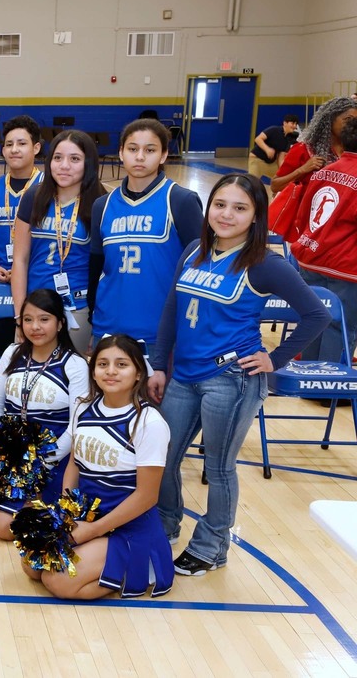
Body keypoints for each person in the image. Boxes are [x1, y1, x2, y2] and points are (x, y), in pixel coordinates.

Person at [149, 173, 330, 575]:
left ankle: (213, 546)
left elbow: (318, 314)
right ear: (208, 207)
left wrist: (274, 359)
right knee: (161, 456)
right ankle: (165, 524)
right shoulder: (194, 249)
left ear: (255, 216)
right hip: (183, 376)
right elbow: (171, 311)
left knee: (218, 468)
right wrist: (160, 364)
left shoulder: (266, 262)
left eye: (240, 208)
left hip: (231, 380)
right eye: (220, 204)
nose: (226, 214)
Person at [29, 335, 173, 599]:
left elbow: (147, 496)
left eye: (121, 365)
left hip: (128, 526)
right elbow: (74, 462)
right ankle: (97, 557)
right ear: (93, 371)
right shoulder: (84, 408)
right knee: (31, 565)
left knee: (59, 581)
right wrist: (66, 513)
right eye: (103, 364)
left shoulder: (148, 422)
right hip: (87, 515)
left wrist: (92, 532)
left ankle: (137, 567)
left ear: (138, 372)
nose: (111, 371)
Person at [0, 289, 88, 539]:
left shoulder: (74, 364)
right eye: (28, 319)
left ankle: (37, 504)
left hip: (50, 460)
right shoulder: (12, 353)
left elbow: (76, 428)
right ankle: (14, 503)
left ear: (60, 323)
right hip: (10, 456)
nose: (35, 327)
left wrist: (40, 461)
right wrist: (6, 446)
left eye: (44, 319)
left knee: (2, 527)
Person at [88, 119, 204, 352]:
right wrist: (94, 322)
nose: (140, 156)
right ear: (121, 153)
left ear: (163, 155)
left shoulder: (180, 200)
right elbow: (96, 267)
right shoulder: (103, 205)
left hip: (160, 332)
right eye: (132, 149)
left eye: (150, 150)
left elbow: (200, 268)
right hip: (108, 328)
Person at [11, 129, 106, 354]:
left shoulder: (101, 204)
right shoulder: (33, 197)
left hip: (78, 308)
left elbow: (103, 271)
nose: (64, 166)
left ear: (88, 163)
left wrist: (97, 321)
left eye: (74, 159)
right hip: (35, 307)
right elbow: (20, 259)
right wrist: (19, 316)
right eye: (58, 158)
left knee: (70, 380)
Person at [291, 119, 357, 365]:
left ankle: (309, 380)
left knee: (314, 320)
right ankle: (328, 390)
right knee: (341, 326)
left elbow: (303, 215)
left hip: (310, 257)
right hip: (344, 266)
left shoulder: (323, 171)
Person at [0, 116, 44, 353]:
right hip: (2, 281)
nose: (14, 149)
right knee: (5, 351)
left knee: (38, 348)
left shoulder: (47, 187)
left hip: (36, 281)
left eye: (21, 143)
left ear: (36, 147)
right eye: (9, 144)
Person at [272, 96, 357, 195]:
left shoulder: (352, 152)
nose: (352, 125)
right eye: (348, 119)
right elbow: (275, 186)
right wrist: (302, 170)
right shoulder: (304, 149)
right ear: (329, 120)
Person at [248, 114, 300, 181]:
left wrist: (283, 172)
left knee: (280, 179)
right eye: (292, 123)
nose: (294, 126)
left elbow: (280, 158)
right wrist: (267, 149)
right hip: (257, 160)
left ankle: (277, 191)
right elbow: (258, 139)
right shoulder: (274, 130)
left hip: (270, 163)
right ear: (285, 123)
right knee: (252, 183)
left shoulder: (288, 139)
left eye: (296, 124)